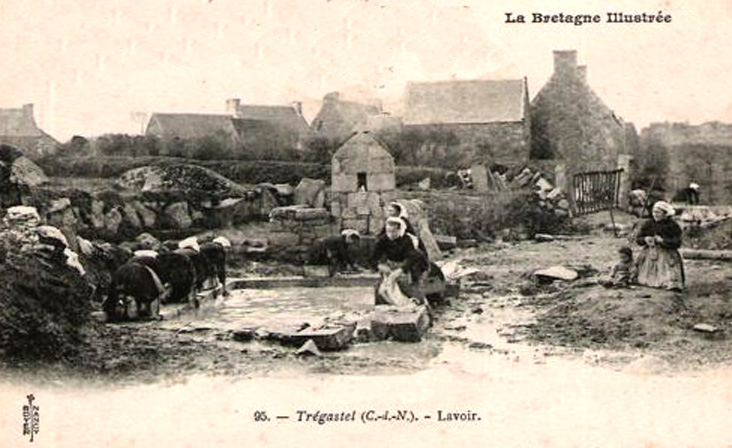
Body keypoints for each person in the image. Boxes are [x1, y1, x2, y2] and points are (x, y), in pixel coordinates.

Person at [371, 217, 429, 306]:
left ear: (399, 230)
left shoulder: (407, 240)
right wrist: (380, 266)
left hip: (409, 267)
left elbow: (411, 258)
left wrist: (401, 270)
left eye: (393, 231)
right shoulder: (383, 240)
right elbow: (372, 258)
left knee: (411, 289)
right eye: (388, 231)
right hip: (390, 266)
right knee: (382, 290)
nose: (390, 234)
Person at [635, 201, 685, 291]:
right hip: (650, 253)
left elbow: (677, 242)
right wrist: (645, 239)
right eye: (654, 212)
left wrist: (663, 241)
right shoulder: (648, 224)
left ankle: (669, 283)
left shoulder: (672, 225)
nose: (655, 214)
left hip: (667, 253)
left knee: (669, 274)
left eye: (658, 212)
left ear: (665, 214)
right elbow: (638, 239)